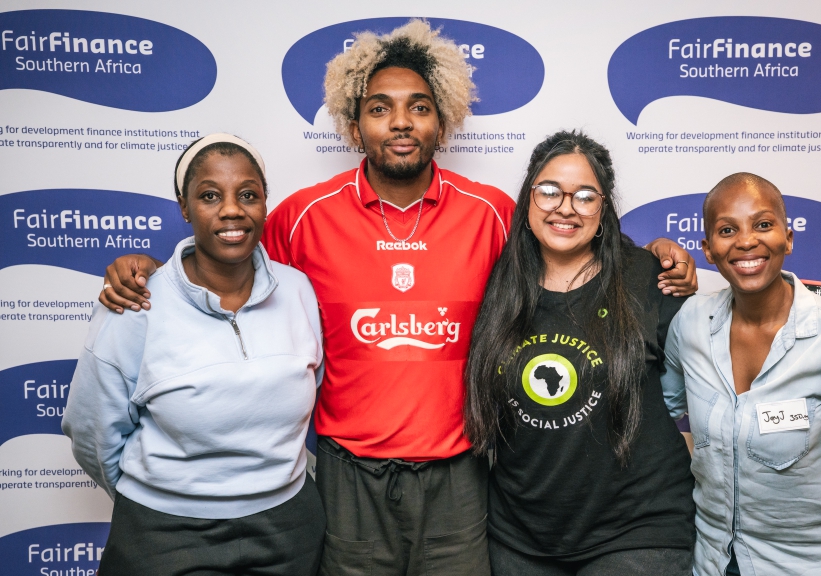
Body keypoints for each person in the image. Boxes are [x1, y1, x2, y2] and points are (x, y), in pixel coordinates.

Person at [95, 20, 696, 575]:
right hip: (348, 476)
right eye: (380, 108)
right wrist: (154, 272)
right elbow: (227, 255)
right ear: (354, 125)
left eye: (419, 107)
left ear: (443, 121)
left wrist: (652, 258)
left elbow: (567, 238)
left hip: (460, 478)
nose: (401, 122)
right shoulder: (303, 216)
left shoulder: (489, 212)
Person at [62, 134, 326, 576]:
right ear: (184, 208)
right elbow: (92, 431)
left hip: (289, 530)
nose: (232, 210)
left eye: (248, 195)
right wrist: (158, 498)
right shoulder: (135, 303)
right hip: (163, 536)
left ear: (265, 203)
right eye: (209, 196)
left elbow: (312, 391)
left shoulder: (298, 289)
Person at [464, 131, 696, 575]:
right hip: (518, 537)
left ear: (603, 209)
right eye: (550, 191)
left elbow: (720, 366)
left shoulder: (648, 277)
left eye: (585, 196)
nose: (566, 207)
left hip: (638, 531)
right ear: (529, 198)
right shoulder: (492, 282)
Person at [661, 173, 821, 576]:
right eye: (727, 230)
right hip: (715, 560)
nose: (746, 241)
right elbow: (664, 410)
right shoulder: (689, 324)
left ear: (788, 239)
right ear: (708, 250)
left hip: (815, 565)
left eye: (763, 224)